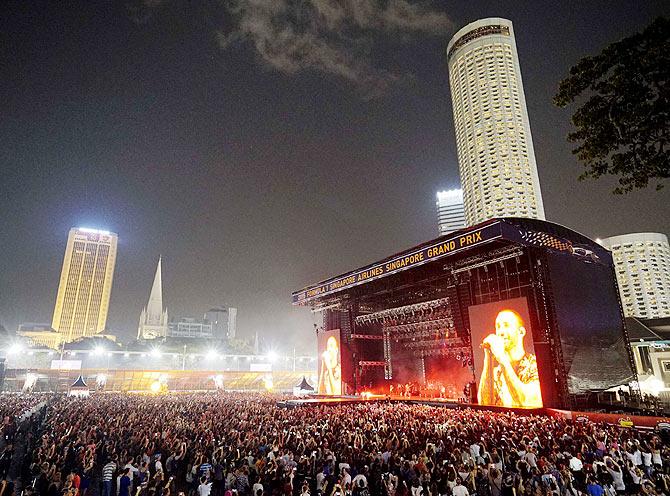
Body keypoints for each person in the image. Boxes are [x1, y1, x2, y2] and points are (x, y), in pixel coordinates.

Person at [477, 309, 542, 408]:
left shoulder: (535, 365)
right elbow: (484, 405)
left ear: (521, 332)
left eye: (506, 325)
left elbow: (526, 403)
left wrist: (501, 356)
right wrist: (488, 357)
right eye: (498, 327)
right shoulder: (496, 373)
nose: (501, 332)